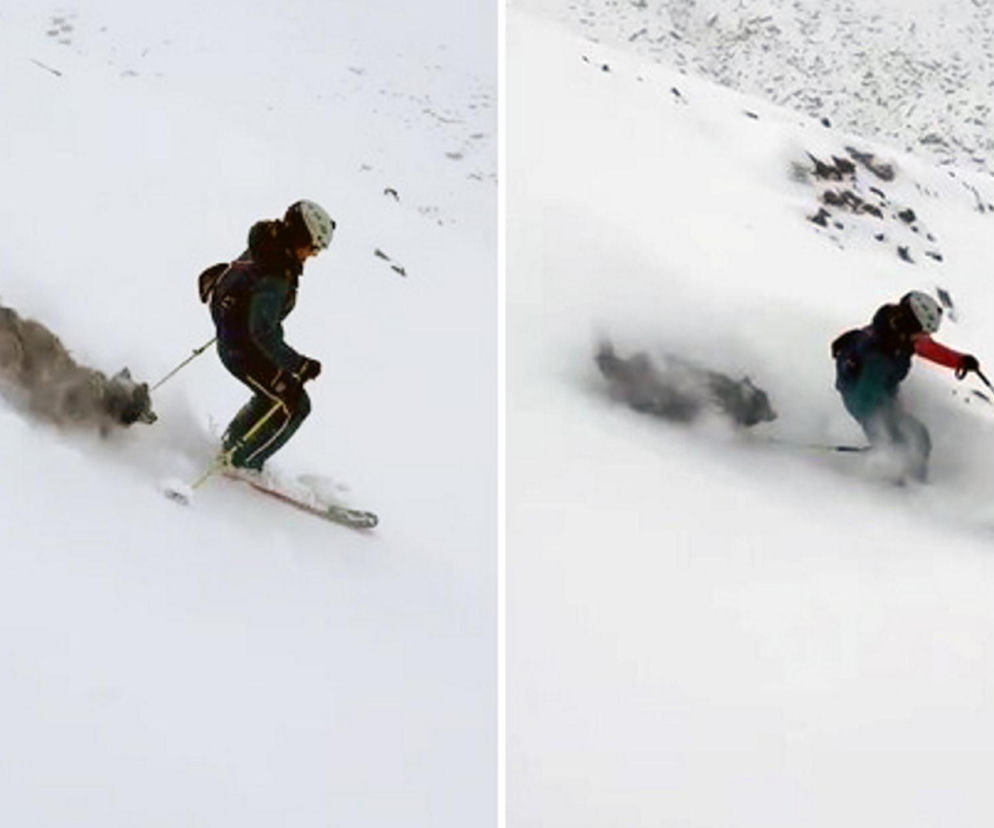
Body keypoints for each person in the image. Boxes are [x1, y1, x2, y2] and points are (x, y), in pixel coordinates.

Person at [198, 199, 335, 476]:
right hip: (243, 352)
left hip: (238, 344)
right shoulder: (276, 274)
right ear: (301, 237)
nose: (314, 255)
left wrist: (230, 322)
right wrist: (299, 364)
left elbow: (233, 286)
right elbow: (262, 332)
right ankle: (245, 464)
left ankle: (231, 448)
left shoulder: (266, 246)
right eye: (314, 247)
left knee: (270, 398)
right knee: (296, 405)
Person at [831, 290, 980, 481]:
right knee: (902, 446)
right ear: (910, 325)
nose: (925, 337)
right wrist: (881, 436)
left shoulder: (897, 334)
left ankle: (915, 482)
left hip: (881, 394)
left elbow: (927, 348)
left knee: (919, 438)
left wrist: (959, 361)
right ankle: (899, 492)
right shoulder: (878, 354)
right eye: (923, 332)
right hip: (865, 397)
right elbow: (864, 404)